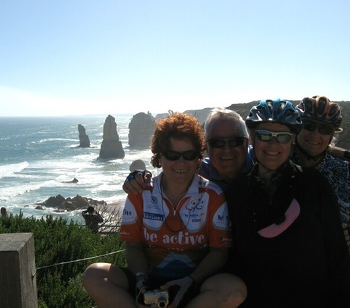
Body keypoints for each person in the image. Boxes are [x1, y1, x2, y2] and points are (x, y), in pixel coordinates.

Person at [82, 112, 247, 308]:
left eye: (189, 155)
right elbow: (133, 247)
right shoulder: (140, 192)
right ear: (159, 157)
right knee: (94, 275)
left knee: (234, 289)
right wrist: (141, 282)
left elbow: (219, 251)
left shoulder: (212, 195)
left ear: (198, 159)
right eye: (172, 155)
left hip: (193, 283)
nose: (181, 163)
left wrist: (189, 282)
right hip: (147, 279)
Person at [225, 99, 350, 308]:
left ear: (292, 141)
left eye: (282, 137)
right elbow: (234, 256)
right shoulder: (238, 190)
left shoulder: (314, 185)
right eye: (264, 135)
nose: (273, 145)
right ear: (252, 139)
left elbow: (338, 255)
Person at [123, 108, 253, 195]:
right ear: (206, 147)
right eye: (217, 142)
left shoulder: (260, 162)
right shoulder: (196, 171)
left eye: (235, 141)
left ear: (246, 143)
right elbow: (169, 173)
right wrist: (139, 177)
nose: (227, 149)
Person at [293, 95, 350, 252]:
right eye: (309, 126)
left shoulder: (344, 171)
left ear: (331, 136)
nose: (315, 134)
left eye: (324, 129)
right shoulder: (277, 161)